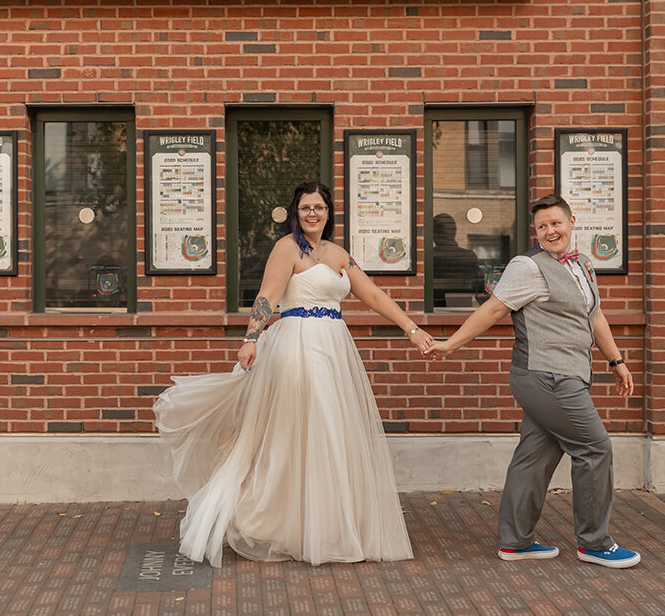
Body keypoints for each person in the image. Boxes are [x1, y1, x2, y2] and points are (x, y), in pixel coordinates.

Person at [154, 181, 434, 567]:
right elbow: (268, 295)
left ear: (329, 212)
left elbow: (372, 295)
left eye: (318, 207)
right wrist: (251, 338)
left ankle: (327, 525)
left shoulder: (337, 254)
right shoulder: (287, 248)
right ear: (296, 213)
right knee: (297, 430)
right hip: (296, 346)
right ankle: (274, 521)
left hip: (333, 348)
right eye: (305, 208)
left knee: (332, 431)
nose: (312, 214)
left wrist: (412, 329)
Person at [425, 194, 640, 569]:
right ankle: (594, 542)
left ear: (572, 222)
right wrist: (450, 345)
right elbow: (493, 309)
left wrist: (616, 359)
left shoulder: (583, 264)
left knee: (536, 457)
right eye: (542, 226)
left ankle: (516, 542)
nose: (549, 231)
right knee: (594, 449)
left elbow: (595, 315)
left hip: (565, 373)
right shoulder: (528, 267)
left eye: (555, 223)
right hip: (546, 376)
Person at [430, 213, 482, 308]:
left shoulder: (429, 257)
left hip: (435, 308)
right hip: (464, 309)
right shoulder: (469, 256)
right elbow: (478, 286)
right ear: (454, 232)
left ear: (434, 234)